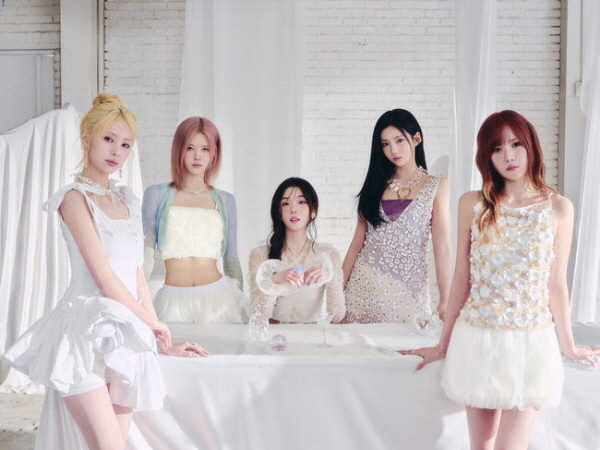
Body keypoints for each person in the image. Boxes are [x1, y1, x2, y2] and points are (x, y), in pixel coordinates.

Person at [3, 94, 207, 450]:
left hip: (126, 337)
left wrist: (161, 340)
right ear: (87, 138)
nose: (116, 151)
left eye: (125, 144)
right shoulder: (73, 199)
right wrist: (154, 322)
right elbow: (105, 279)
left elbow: (136, 274)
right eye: (108, 139)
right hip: (81, 335)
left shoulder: (128, 199)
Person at [401, 110, 599, 450]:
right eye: (496, 148)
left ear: (531, 146)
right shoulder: (473, 203)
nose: (508, 155)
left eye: (516, 144)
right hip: (477, 339)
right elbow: (461, 279)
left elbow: (556, 285)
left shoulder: (558, 208)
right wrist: (442, 345)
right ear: (486, 156)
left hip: (530, 345)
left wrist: (568, 346)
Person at [342, 108, 451, 323]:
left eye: (399, 140)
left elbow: (442, 247)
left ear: (416, 139)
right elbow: (356, 244)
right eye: (385, 144)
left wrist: (446, 300)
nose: (393, 150)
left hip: (408, 297)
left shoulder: (437, 185)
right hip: (360, 294)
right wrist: (336, 293)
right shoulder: (374, 187)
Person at [142, 116, 247, 324]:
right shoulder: (156, 194)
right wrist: (139, 304)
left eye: (205, 149)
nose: (198, 156)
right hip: (173, 301)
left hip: (219, 300)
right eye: (190, 148)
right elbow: (146, 257)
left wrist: (242, 310)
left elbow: (231, 260)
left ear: (214, 153)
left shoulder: (226, 200)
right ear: (179, 149)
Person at [249, 177, 345, 323]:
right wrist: (275, 280)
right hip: (274, 335)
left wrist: (330, 276)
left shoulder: (327, 254)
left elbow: (337, 316)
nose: (293, 209)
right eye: (286, 203)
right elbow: (257, 316)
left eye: (301, 202)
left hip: (310, 335)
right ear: (279, 211)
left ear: (313, 209)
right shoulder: (259, 255)